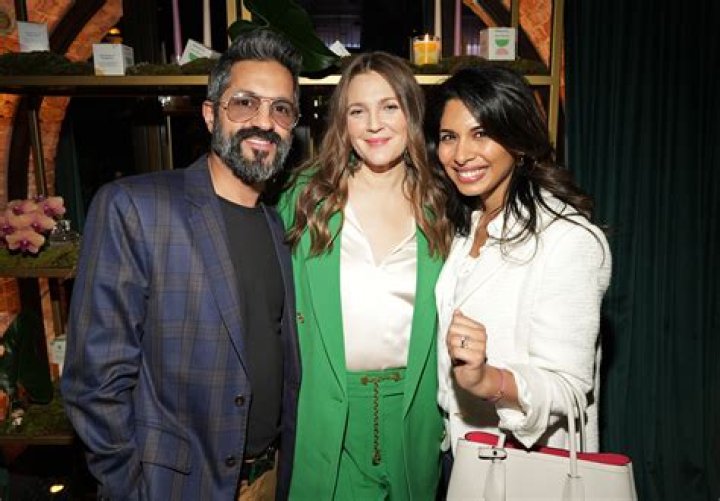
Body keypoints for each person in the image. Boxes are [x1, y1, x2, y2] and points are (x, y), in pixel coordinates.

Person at [61, 28, 302, 501]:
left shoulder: (278, 225)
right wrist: (128, 489)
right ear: (211, 115)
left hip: (270, 480)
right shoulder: (136, 208)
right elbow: (94, 384)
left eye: (281, 109)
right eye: (244, 103)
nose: (264, 122)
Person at [278, 52, 452, 500]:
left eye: (389, 106)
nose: (374, 124)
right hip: (325, 416)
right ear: (343, 122)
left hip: (414, 415)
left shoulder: (443, 204)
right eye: (358, 111)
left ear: (412, 113)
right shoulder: (306, 198)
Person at [425, 65, 612, 458]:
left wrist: (486, 380)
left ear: (519, 140)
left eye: (481, 133)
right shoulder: (466, 223)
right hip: (459, 451)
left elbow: (569, 389)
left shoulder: (565, 239)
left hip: (523, 464)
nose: (461, 154)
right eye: (449, 137)